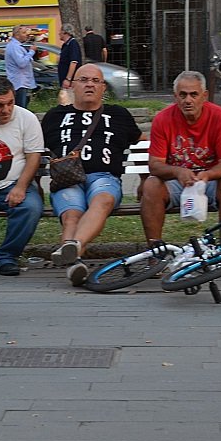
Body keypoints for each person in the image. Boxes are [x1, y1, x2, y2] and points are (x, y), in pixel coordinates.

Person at [40, 63, 143, 287]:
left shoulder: (118, 114)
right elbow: (36, 150)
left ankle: (73, 248)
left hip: (104, 176)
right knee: (72, 215)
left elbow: (142, 143)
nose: (89, 84)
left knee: (102, 200)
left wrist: (145, 180)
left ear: (103, 88)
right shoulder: (55, 116)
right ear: (73, 86)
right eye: (84, 80)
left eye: (95, 81)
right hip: (67, 178)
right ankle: (74, 262)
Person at [139, 70, 221, 280]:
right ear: (175, 97)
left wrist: (207, 174)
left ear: (204, 96)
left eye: (194, 94)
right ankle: (156, 253)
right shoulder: (163, 119)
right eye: (183, 95)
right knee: (151, 185)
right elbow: (154, 165)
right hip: (176, 182)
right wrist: (177, 171)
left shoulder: (219, 116)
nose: (188, 100)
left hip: (209, 181)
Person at [0, 77, 45, 277]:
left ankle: (7, 257)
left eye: (10, 103)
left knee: (30, 208)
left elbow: (34, 156)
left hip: (14, 182)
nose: (6, 110)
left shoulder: (26, 118)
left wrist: (21, 187)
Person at [3, 25, 37, 108]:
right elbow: (22, 63)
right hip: (19, 83)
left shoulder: (17, 46)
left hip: (22, 82)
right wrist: (31, 52)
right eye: (24, 33)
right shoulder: (14, 47)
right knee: (21, 109)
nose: (27, 35)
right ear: (17, 34)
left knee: (22, 108)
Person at [56, 23, 83, 91]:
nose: (59, 33)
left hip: (71, 81)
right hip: (64, 79)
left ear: (65, 32)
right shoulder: (65, 45)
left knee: (70, 100)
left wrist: (68, 79)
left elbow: (73, 62)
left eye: (60, 31)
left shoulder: (73, 44)